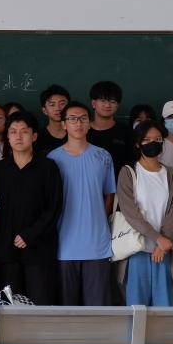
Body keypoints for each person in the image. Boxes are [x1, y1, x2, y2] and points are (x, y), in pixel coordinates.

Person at [0, 111, 62, 305]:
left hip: (39, 251)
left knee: (40, 307)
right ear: (7, 136)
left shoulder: (48, 168)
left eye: (24, 131)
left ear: (34, 136)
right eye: (13, 131)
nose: (18, 136)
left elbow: (53, 208)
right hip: (5, 252)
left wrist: (30, 234)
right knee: (8, 309)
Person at [49, 101, 115, 306]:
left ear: (89, 123)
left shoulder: (103, 156)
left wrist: (98, 220)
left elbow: (109, 195)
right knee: (67, 311)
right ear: (64, 124)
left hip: (97, 245)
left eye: (83, 119)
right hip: (64, 245)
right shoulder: (52, 159)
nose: (78, 123)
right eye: (72, 119)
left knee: (98, 310)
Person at [115, 121, 173, 307]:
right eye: (147, 139)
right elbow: (130, 213)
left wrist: (163, 243)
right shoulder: (128, 173)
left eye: (158, 139)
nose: (153, 143)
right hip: (136, 249)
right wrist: (157, 238)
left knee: (164, 307)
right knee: (136, 308)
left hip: (165, 250)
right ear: (138, 143)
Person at [86, 81, 133, 174]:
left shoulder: (126, 132)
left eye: (112, 101)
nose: (108, 105)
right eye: (103, 100)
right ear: (93, 103)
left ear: (117, 105)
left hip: (119, 182)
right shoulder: (81, 130)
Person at [34, 84, 70, 155]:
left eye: (62, 103)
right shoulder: (37, 137)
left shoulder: (77, 133)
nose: (58, 108)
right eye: (52, 105)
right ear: (44, 110)